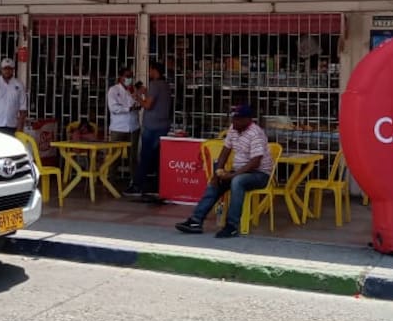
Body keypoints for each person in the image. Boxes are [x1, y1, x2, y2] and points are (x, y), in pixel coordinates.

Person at [176, 104, 272, 239]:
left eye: (237, 119)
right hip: (240, 171)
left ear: (247, 119)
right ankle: (195, 221)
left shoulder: (256, 133)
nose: (233, 122)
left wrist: (232, 176)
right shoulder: (233, 129)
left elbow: (255, 162)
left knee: (237, 182)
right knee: (215, 182)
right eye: (233, 119)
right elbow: (225, 151)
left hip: (259, 174)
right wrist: (218, 172)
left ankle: (232, 226)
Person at [137, 63, 172, 194]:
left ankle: (139, 184)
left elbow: (148, 105)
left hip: (152, 126)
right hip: (163, 125)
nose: (148, 72)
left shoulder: (155, 85)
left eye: (150, 70)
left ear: (154, 70)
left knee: (146, 155)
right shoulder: (166, 85)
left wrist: (138, 97)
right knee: (158, 156)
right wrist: (146, 94)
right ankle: (158, 184)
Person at [107, 65, 142, 191]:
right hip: (118, 128)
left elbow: (139, 103)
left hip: (133, 127)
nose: (129, 79)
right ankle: (111, 181)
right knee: (114, 156)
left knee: (133, 157)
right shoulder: (113, 90)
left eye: (131, 76)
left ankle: (134, 182)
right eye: (127, 76)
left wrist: (138, 100)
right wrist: (129, 109)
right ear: (120, 77)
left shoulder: (133, 90)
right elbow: (114, 108)